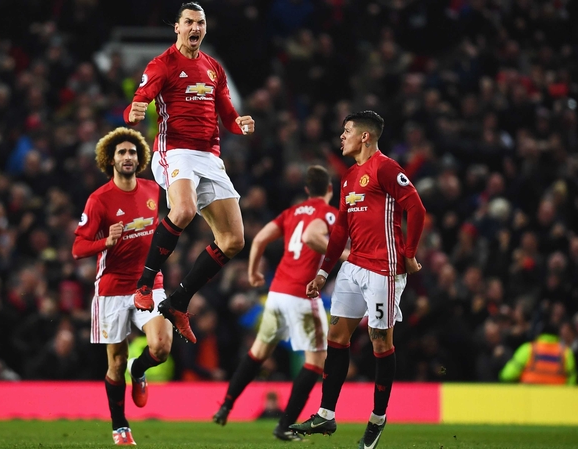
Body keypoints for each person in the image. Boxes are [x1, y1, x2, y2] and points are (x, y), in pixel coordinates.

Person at [289, 111, 426, 449]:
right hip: (354, 267)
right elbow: (340, 231)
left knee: (380, 339)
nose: (341, 137)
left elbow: (417, 208)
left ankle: (377, 418)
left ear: (365, 136)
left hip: (384, 266)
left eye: (347, 131)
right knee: (336, 337)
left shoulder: (385, 168)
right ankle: (326, 413)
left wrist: (408, 253)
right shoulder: (350, 176)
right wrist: (323, 272)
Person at [124, 2, 255, 344]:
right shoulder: (162, 64)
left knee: (234, 240)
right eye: (188, 22)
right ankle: (144, 285)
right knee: (182, 209)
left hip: (209, 155)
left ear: (205, 29)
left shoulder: (214, 68)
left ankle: (179, 300)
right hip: (175, 150)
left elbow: (227, 115)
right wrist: (133, 112)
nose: (195, 28)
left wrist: (240, 125)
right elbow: (140, 99)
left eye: (200, 23)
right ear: (177, 28)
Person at [212, 165, 348, 441]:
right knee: (317, 361)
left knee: (259, 350)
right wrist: (345, 255)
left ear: (308, 189)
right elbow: (312, 236)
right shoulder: (329, 214)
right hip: (301, 296)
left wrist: (252, 271)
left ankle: (226, 404)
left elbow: (260, 237)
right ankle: (285, 424)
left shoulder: (293, 212)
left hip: (276, 293)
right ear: (330, 190)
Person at [72, 127, 174, 446]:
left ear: (139, 158)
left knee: (161, 347)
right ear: (111, 159)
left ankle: (140, 370)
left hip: (148, 284)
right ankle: (120, 426)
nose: (127, 157)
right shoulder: (99, 199)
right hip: (112, 290)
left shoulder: (154, 191)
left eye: (132, 152)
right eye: (121, 153)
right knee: (115, 362)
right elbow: (78, 248)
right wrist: (106, 240)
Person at [499, 323, 577, 385]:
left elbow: (508, 375)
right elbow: (572, 379)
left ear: (539, 334)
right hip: (556, 397)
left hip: (529, 396)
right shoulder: (566, 352)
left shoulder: (528, 349)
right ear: (558, 336)